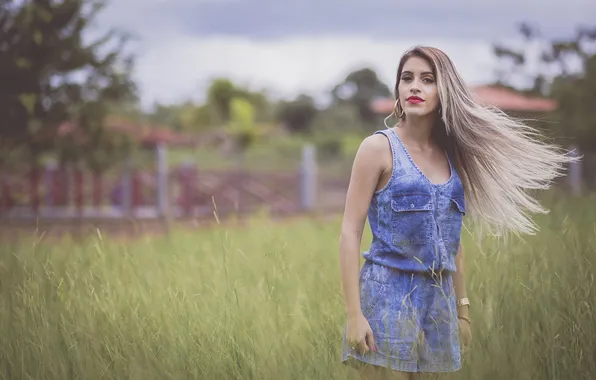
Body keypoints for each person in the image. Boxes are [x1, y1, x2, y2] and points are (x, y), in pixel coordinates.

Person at [338, 46, 576, 379]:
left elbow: (453, 242)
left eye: (427, 79)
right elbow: (350, 232)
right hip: (386, 300)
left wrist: (463, 312)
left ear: (444, 90)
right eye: (407, 78)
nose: (414, 87)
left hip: (439, 305)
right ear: (397, 89)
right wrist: (354, 315)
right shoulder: (377, 149)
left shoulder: (453, 157)